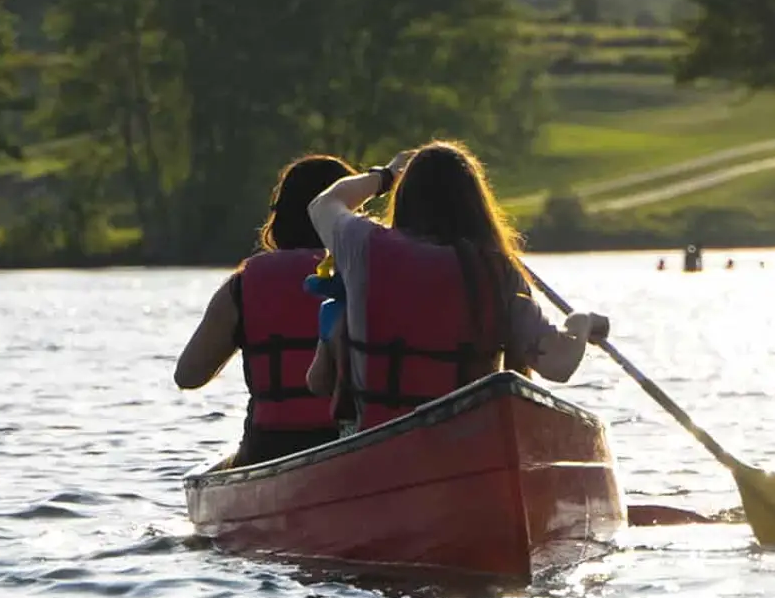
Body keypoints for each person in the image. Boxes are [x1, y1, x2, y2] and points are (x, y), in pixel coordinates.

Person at [304, 142, 609, 431]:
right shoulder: (496, 270)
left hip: (381, 439)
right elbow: (558, 364)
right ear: (477, 206)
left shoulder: (363, 245)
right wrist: (581, 322)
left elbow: (322, 204)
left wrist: (386, 175)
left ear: (405, 198)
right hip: (465, 443)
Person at [174, 155, 355, 466]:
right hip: (354, 444)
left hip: (269, 449)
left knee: (224, 467)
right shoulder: (366, 274)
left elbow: (188, 375)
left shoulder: (243, 286)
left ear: (279, 217)